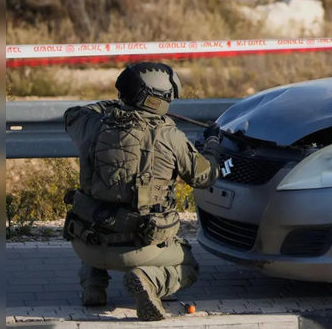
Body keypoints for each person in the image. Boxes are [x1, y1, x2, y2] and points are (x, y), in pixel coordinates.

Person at [63, 62, 224, 321]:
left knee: (98, 213)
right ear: (157, 98)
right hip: (139, 249)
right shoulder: (169, 136)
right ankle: (149, 279)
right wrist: (213, 143)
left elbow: (73, 114)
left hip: (86, 244)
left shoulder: (93, 125)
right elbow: (205, 177)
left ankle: (93, 287)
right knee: (188, 266)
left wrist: (116, 106)